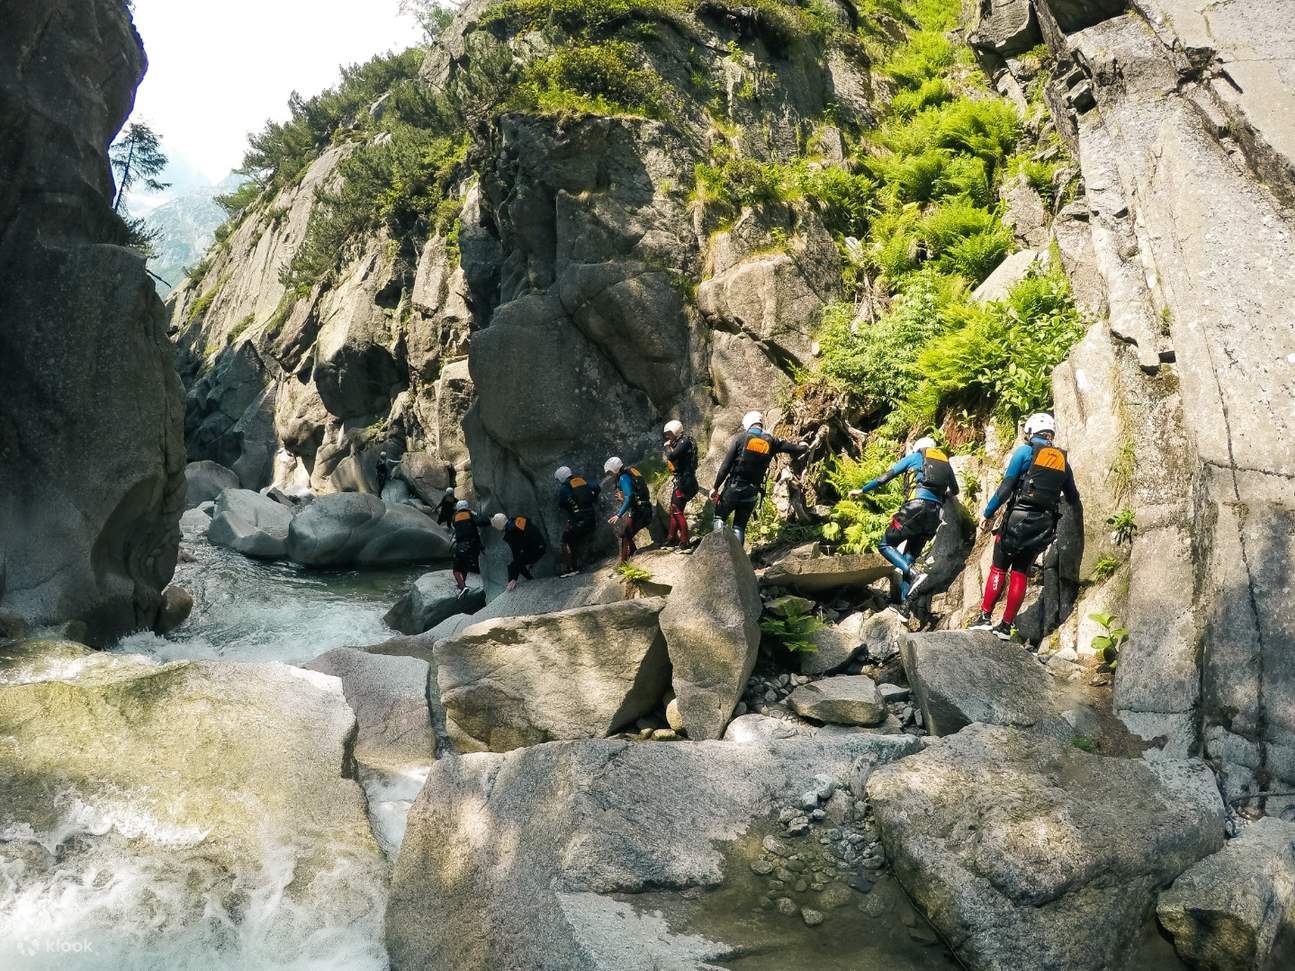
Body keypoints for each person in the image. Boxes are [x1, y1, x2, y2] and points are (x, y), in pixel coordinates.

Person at [970, 413, 1080, 640]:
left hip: (1017, 519)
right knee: (1021, 571)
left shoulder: (1024, 452)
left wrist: (988, 513)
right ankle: (1005, 627)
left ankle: (985, 618)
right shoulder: (1063, 462)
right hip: (1043, 526)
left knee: (999, 568)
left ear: (1030, 431)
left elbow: (1006, 487)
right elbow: (1072, 497)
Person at [848, 436, 957, 618]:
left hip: (914, 508)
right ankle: (904, 608)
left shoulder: (915, 457)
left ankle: (914, 575)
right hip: (935, 515)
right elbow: (955, 490)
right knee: (908, 558)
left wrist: (863, 490)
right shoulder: (945, 463)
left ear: (918, 447)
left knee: (885, 544)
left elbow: (886, 477)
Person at [710, 411, 809, 543]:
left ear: (747, 423)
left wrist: (715, 487)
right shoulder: (772, 441)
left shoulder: (740, 438)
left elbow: (725, 467)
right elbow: (796, 449)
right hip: (752, 491)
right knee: (739, 527)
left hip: (734, 487)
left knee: (719, 518)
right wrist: (804, 446)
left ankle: (718, 549)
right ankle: (738, 555)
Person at [605, 456, 653, 563]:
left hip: (640, 511)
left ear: (615, 470)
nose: (610, 475)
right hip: (644, 508)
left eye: (610, 472)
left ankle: (623, 564)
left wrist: (618, 514)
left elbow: (629, 497)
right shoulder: (630, 472)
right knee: (624, 534)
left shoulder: (623, 477)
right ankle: (632, 553)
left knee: (625, 535)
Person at [555, 465, 601, 577]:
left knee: (565, 540)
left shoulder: (564, 488)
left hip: (580, 520)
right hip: (591, 517)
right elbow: (597, 487)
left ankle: (571, 569)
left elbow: (561, 504)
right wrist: (593, 498)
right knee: (579, 537)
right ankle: (591, 557)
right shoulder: (582, 481)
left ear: (561, 477)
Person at [661, 419, 699, 551]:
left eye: (669, 433)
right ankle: (671, 540)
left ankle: (685, 542)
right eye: (666, 434)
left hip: (686, 482)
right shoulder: (680, 442)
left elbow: (672, 456)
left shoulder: (684, 442)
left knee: (676, 511)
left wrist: (667, 447)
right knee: (675, 510)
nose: (667, 436)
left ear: (676, 431)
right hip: (682, 480)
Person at [492, 512, 548, 591]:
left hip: (536, 551)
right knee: (516, 563)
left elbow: (516, 555)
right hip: (540, 546)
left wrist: (513, 578)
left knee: (514, 565)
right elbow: (532, 531)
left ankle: (519, 582)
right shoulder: (518, 519)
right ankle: (527, 579)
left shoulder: (511, 534)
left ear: (499, 527)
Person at [449, 499, 487, 595]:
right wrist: (489, 520)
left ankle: (462, 586)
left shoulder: (455, 517)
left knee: (457, 569)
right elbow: (480, 522)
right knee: (466, 565)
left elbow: (456, 526)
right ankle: (463, 584)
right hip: (475, 545)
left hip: (462, 546)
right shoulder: (470, 514)